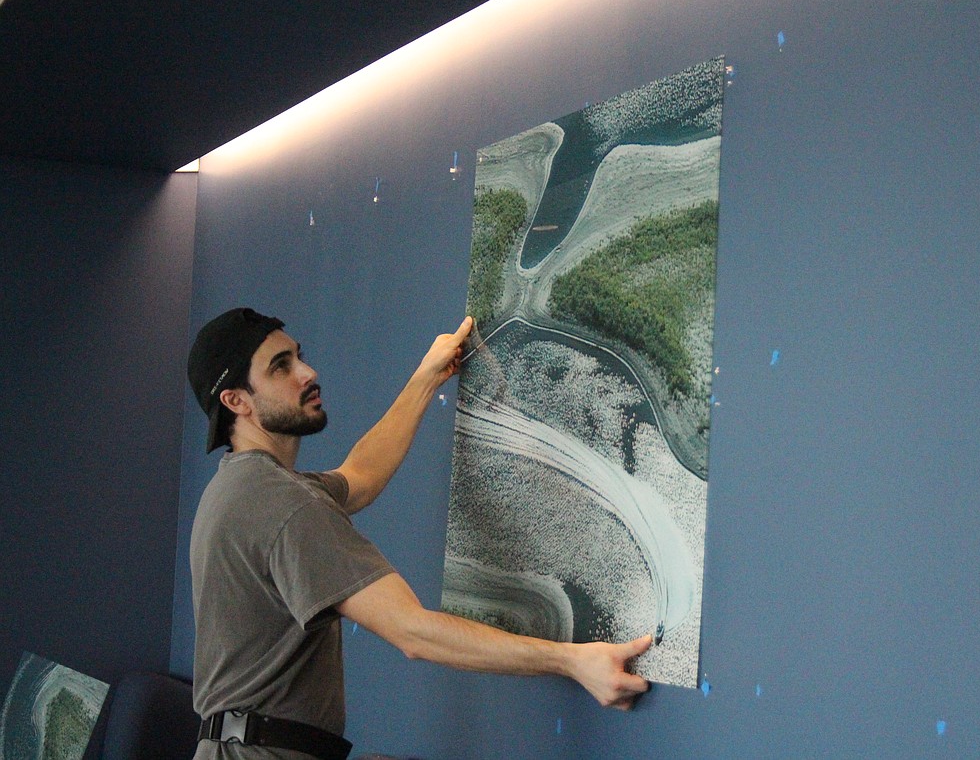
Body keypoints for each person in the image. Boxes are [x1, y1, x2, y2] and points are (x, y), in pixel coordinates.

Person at [186, 307, 651, 759]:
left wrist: (426, 378)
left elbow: (360, 477)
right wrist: (572, 660)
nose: (307, 372)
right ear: (236, 401)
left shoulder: (241, 488)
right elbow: (413, 632)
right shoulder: (283, 503)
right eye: (280, 367)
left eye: (298, 356)